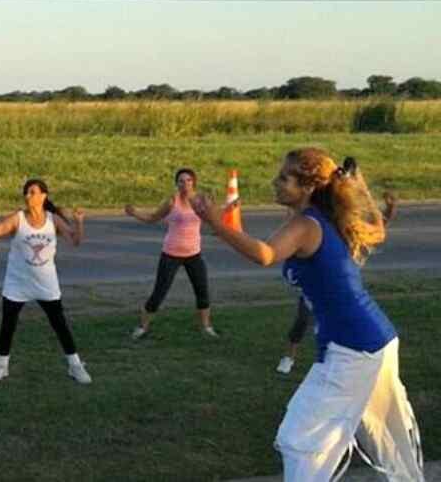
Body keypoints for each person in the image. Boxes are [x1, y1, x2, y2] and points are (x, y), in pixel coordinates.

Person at [190, 149, 422, 481]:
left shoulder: (307, 224)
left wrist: (215, 221)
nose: (275, 181)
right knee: (386, 437)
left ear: (308, 187)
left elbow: (265, 254)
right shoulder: (318, 219)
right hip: (369, 342)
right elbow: (375, 230)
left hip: (355, 348)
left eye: (285, 177)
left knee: (300, 437)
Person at [0, 179, 91, 384]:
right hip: (17, 283)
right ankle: (1, 366)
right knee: (8, 325)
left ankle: (75, 366)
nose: (27, 196)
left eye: (32, 192)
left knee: (60, 325)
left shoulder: (53, 220)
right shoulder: (18, 219)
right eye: (26, 193)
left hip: (46, 284)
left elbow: (75, 241)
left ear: (43, 196)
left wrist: (79, 222)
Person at [276, 190, 399, 374]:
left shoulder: (340, 233)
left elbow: (374, 230)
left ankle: (319, 359)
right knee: (302, 322)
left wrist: (389, 210)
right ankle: (289, 357)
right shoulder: (311, 228)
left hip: (353, 326)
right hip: (316, 295)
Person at [124, 168, 223, 339]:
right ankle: (142, 327)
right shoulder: (172, 202)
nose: (185, 184)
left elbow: (215, 221)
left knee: (202, 291)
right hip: (171, 254)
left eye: (189, 180)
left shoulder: (200, 201)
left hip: (194, 254)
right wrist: (134, 213)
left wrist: (216, 207)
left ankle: (206, 327)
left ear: (194, 183)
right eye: (181, 181)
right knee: (159, 293)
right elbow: (152, 218)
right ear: (176, 184)